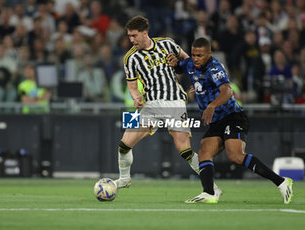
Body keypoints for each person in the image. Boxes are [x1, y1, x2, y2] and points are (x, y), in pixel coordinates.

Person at [172, 37, 293, 204]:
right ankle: (209, 193)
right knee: (204, 153)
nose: (195, 58)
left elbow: (227, 91)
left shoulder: (215, 68)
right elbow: (179, 67)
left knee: (235, 156)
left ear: (209, 54)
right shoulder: (191, 64)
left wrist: (212, 105)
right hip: (215, 121)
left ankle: (282, 182)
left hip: (232, 116)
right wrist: (174, 62)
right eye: (193, 54)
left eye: (199, 55)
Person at [115, 16, 221, 197]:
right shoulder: (130, 58)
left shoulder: (167, 44)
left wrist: (183, 67)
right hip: (150, 105)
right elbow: (132, 87)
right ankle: (124, 178)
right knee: (124, 144)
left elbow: (189, 61)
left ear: (144, 33)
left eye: (134, 36)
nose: (131, 40)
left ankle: (212, 188)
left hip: (174, 102)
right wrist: (136, 97)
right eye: (129, 36)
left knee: (184, 150)